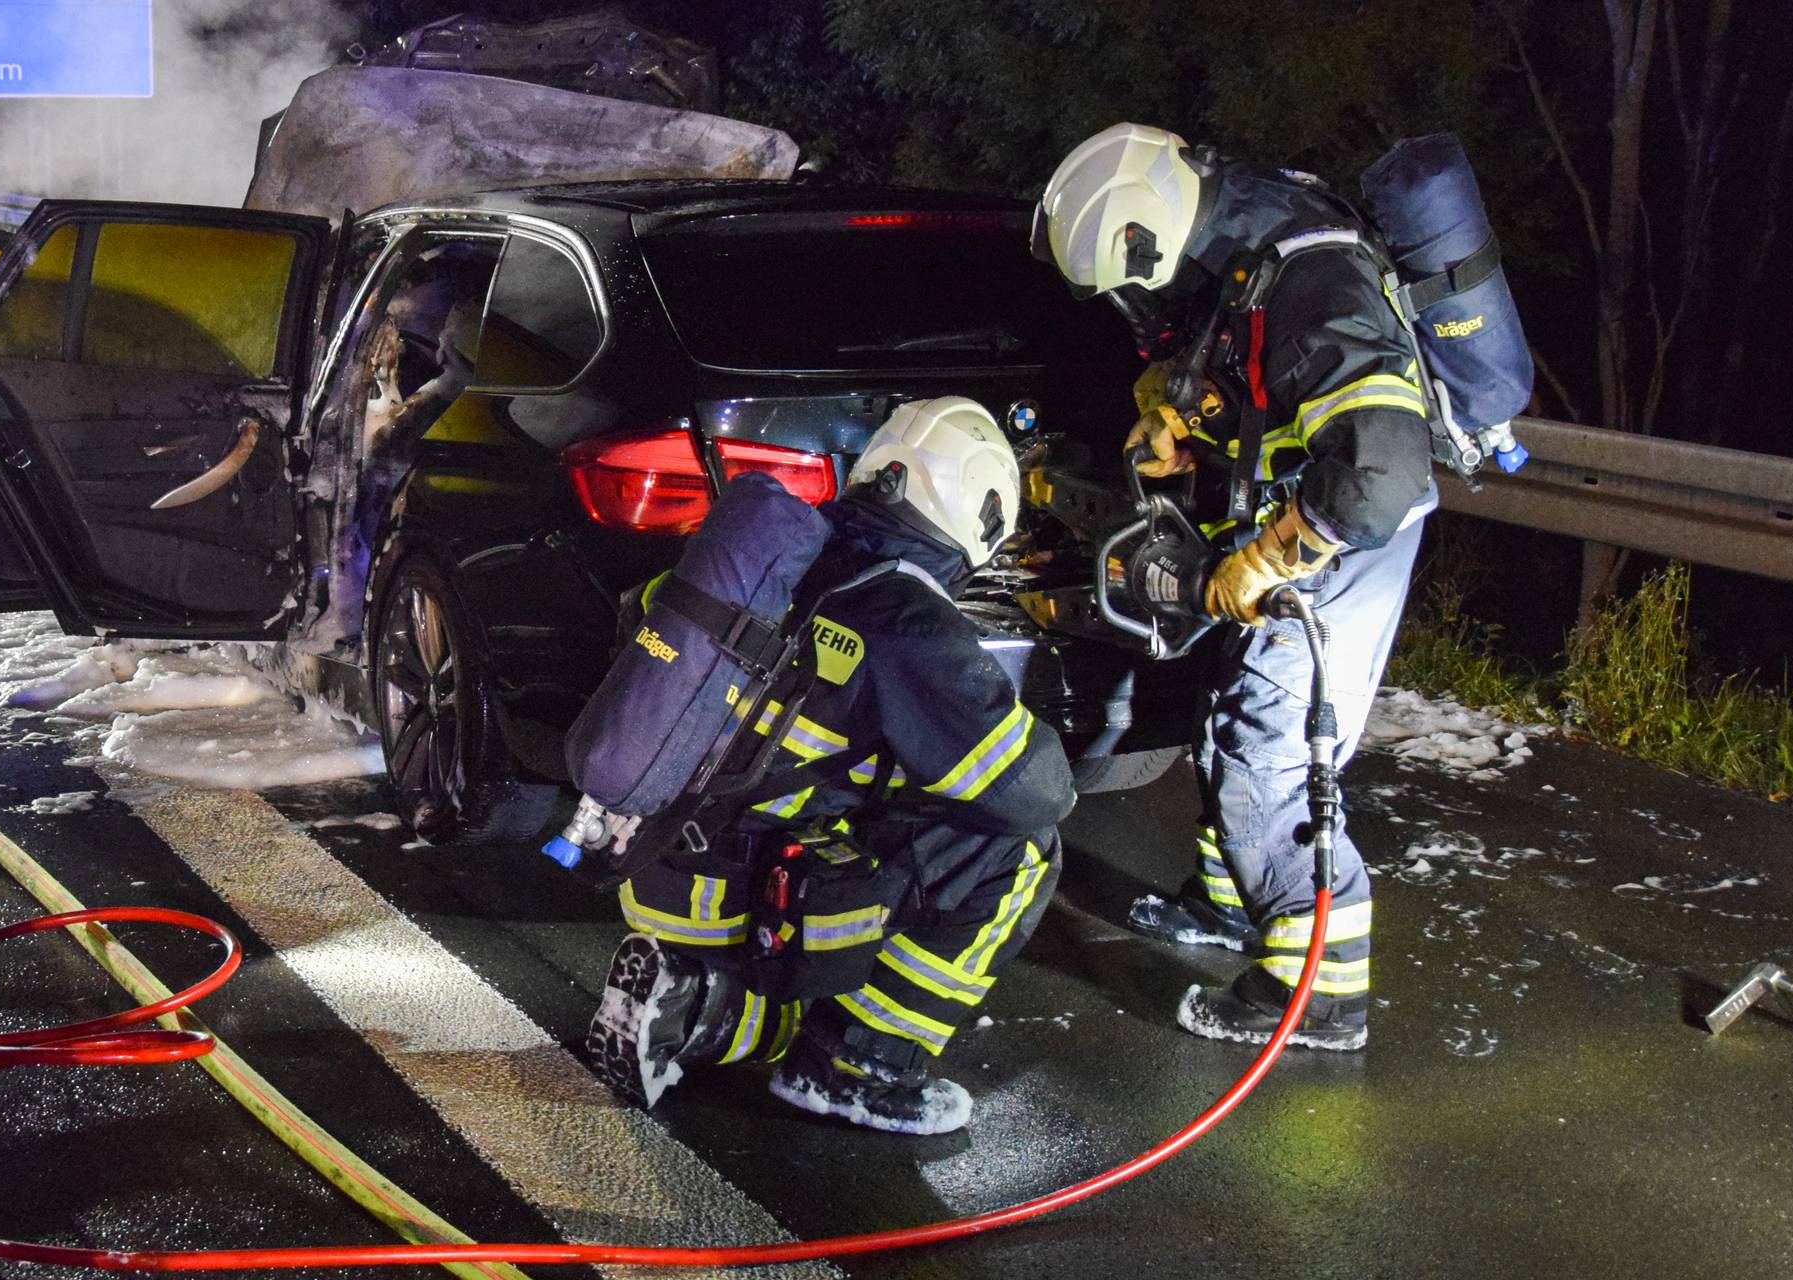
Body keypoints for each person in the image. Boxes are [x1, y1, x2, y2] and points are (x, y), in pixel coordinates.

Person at [1032, 122, 1440, 1051]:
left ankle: (1318, 993)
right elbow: (1231, 360)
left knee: (1271, 752)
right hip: (1300, 519)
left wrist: (1268, 559)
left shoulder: (1315, 278)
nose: (1139, 302)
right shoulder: (1238, 230)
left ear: (1146, 235)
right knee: (1227, 721)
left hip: (1343, 541)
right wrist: (1175, 412)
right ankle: (1231, 906)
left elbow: (1381, 473)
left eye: (1134, 283)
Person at [587, 397, 1077, 1135]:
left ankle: (696, 1005)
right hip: (752, 894)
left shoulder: (783, 554)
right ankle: (855, 1068)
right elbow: (1032, 793)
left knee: (839, 828)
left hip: (659, 865)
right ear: (978, 515)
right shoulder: (908, 618)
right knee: (1020, 853)